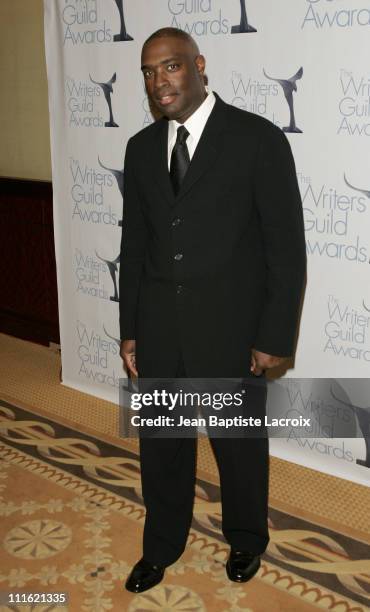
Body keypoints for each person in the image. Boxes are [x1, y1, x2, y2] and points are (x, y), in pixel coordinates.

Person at [119, 27, 306, 593]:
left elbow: (286, 248)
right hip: (159, 326)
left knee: (239, 449)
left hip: (232, 330)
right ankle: (162, 544)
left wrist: (273, 335)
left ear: (199, 65)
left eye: (171, 67)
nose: (160, 82)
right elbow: (135, 248)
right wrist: (130, 331)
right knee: (162, 450)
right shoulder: (139, 147)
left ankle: (247, 538)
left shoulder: (257, 139)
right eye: (150, 73)